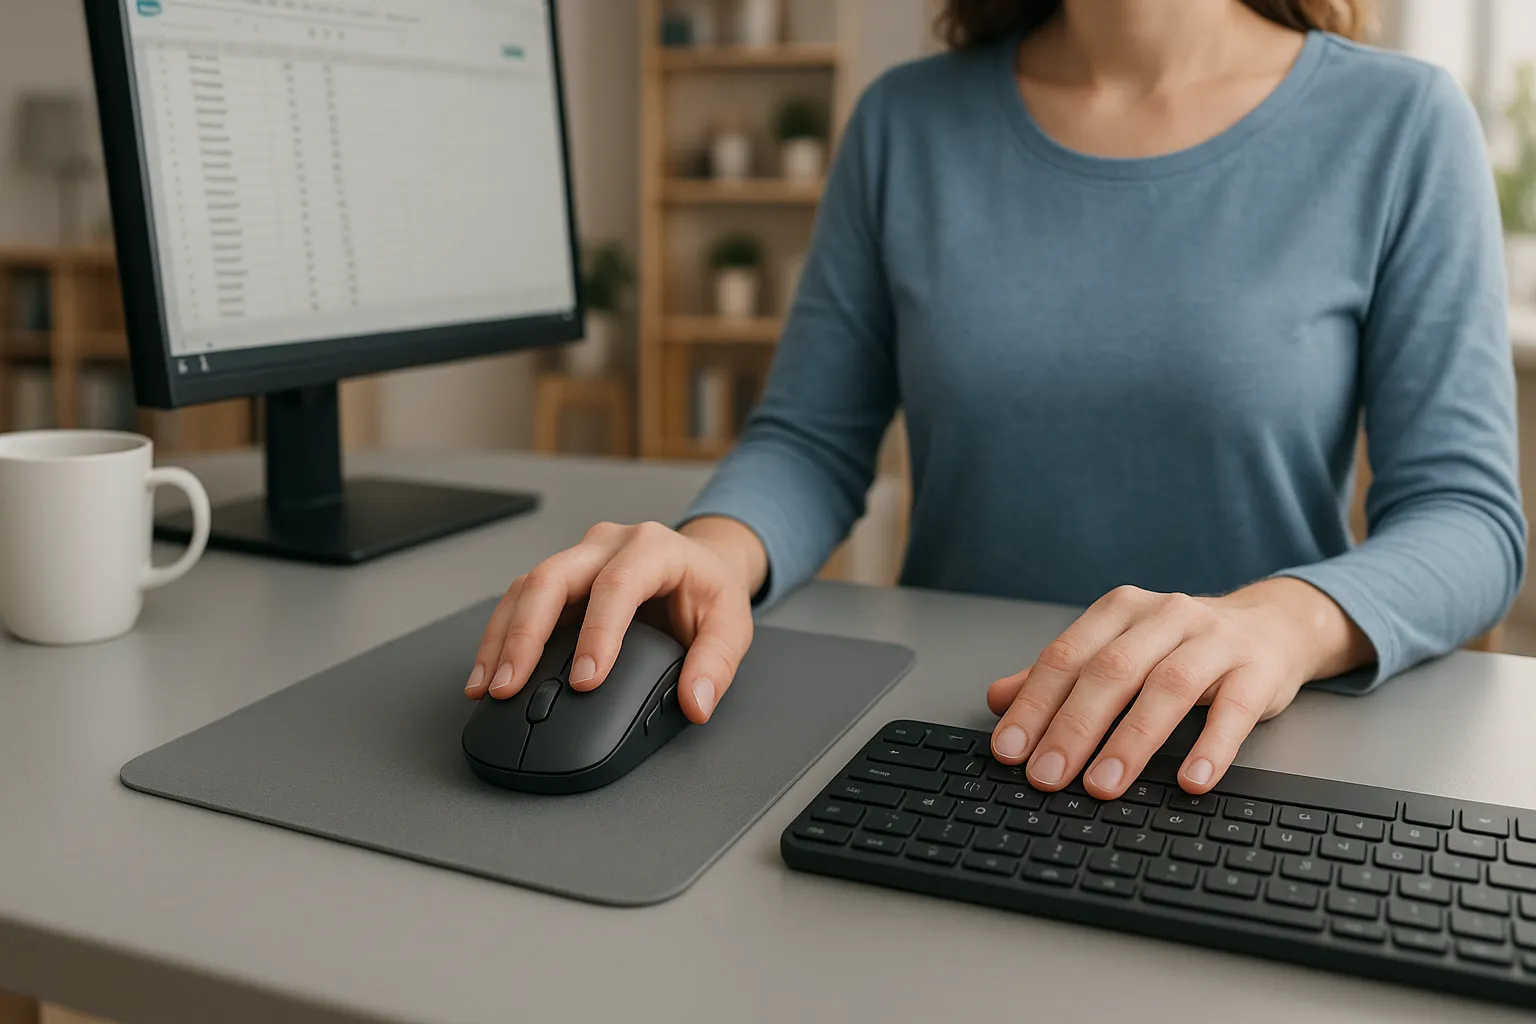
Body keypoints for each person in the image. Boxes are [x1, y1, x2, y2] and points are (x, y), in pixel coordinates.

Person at [466, 0, 1525, 801]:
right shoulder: (905, 123)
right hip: (953, 742)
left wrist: (1281, 624)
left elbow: (1467, 518)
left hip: (1241, 751)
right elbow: (811, 439)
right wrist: (712, 551)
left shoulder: (1399, 123)